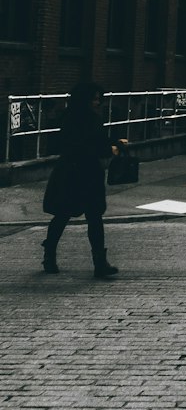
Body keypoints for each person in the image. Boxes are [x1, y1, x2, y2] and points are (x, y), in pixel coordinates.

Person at [42, 83, 120, 280]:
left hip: (70, 171)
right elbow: (97, 144)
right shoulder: (91, 119)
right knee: (91, 217)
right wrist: (113, 146)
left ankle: (50, 255)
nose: (97, 102)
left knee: (64, 214)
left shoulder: (69, 118)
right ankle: (99, 263)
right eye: (94, 98)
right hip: (85, 172)